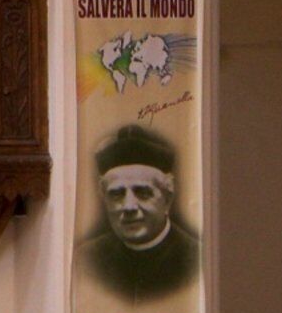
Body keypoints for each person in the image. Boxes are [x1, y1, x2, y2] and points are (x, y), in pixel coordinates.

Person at [76, 123, 200, 302]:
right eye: (117, 194)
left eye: (142, 193)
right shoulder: (86, 259)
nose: (129, 207)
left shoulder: (196, 261)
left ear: (167, 199)